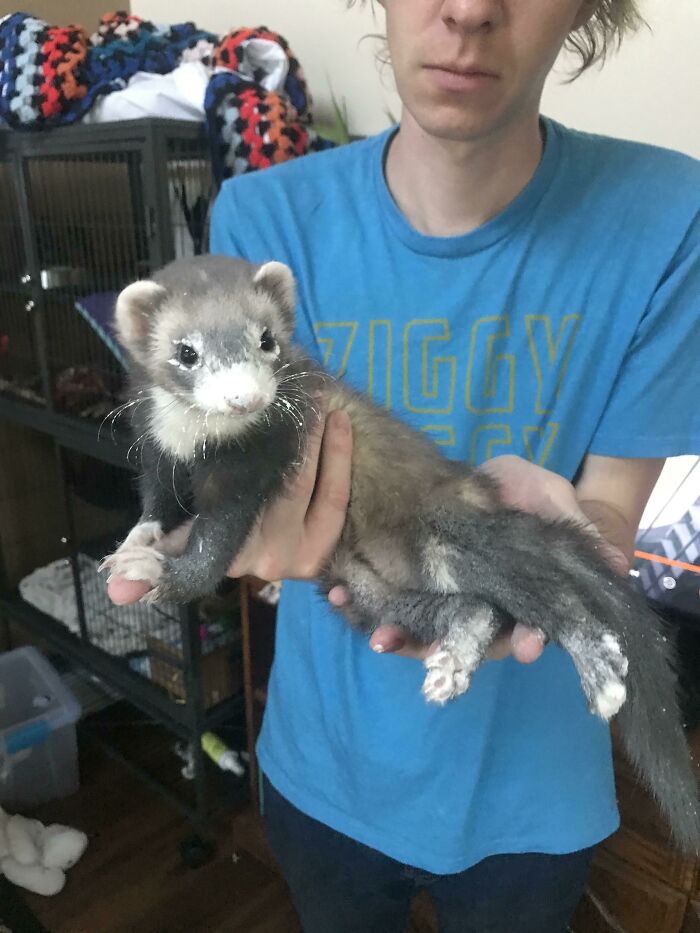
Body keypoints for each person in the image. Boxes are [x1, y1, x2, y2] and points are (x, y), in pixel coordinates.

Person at [109, 1, 700, 929]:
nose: (468, 8)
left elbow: (607, 519)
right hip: (325, 769)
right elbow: (221, 474)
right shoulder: (262, 216)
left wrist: (572, 546)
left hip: (533, 797)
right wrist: (203, 538)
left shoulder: (671, 218)